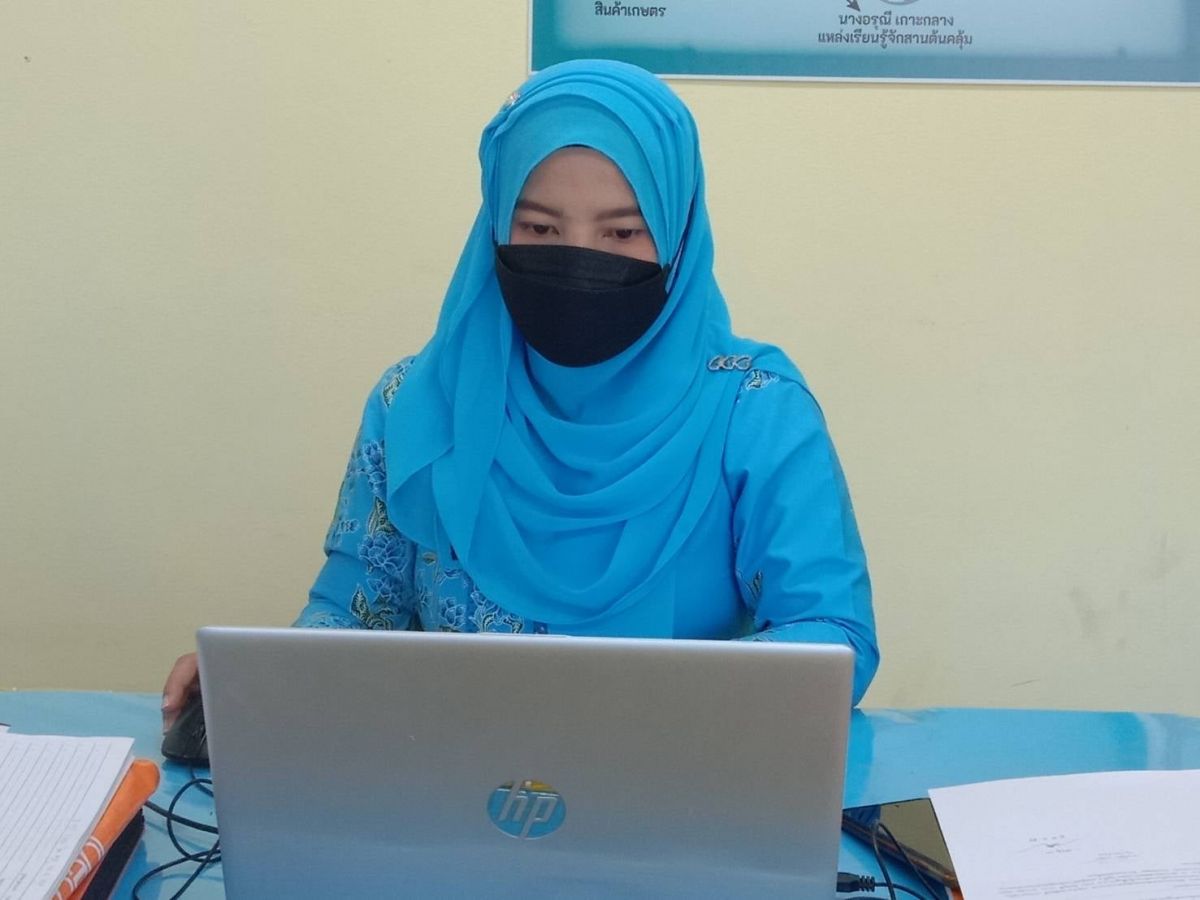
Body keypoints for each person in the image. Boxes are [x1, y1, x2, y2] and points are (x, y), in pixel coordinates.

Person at [162, 59, 879, 732]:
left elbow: (831, 636)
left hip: (683, 793)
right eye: (539, 227)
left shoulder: (755, 412)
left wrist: (644, 707)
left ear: (678, 236)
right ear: (496, 225)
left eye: (623, 231)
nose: (580, 256)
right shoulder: (414, 405)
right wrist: (261, 679)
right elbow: (353, 612)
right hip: (442, 795)